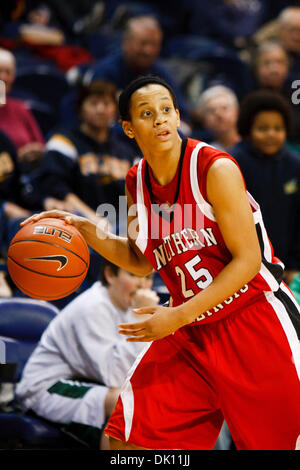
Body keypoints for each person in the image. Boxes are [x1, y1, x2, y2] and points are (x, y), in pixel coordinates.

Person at [22, 75, 300, 450]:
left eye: (166, 110)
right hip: (192, 333)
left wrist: (179, 316)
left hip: (253, 322)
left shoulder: (215, 169)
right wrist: (86, 230)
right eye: (147, 113)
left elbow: (248, 261)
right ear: (128, 128)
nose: (159, 120)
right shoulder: (136, 181)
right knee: (128, 441)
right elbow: (140, 260)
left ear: (178, 115)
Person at [16, 260, 159, 449]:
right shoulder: (93, 307)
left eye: (148, 277)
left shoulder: (125, 306)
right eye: (133, 275)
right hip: (45, 388)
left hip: (91, 382)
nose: (143, 285)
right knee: (127, 401)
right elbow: (117, 376)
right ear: (110, 275)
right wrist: (141, 319)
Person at [39, 80, 136, 226]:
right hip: (79, 222)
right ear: (81, 110)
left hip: (122, 223)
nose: (100, 109)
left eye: (106, 104)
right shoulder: (63, 143)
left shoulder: (125, 151)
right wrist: (91, 218)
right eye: (93, 103)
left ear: (115, 110)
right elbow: (57, 188)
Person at [231, 89, 300, 284]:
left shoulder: (295, 165)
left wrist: (295, 264)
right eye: (263, 128)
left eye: (278, 128)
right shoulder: (232, 164)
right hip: (242, 265)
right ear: (247, 130)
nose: (271, 134)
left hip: (286, 265)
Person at [84, 15, 190, 127]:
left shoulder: (162, 74)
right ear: (126, 42)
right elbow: (96, 116)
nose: (147, 50)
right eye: (143, 43)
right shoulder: (105, 71)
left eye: (153, 44)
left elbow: (182, 116)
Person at [0, 48, 45, 167]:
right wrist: (16, 158)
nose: (4, 77)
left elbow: (40, 146)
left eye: (8, 72)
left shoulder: (20, 108)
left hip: (23, 176)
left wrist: (34, 152)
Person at [191, 85, 241, 152]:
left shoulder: (252, 143)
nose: (219, 114)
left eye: (224, 108)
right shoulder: (204, 153)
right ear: (204, 120)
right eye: (212, 110)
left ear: (236, 112)